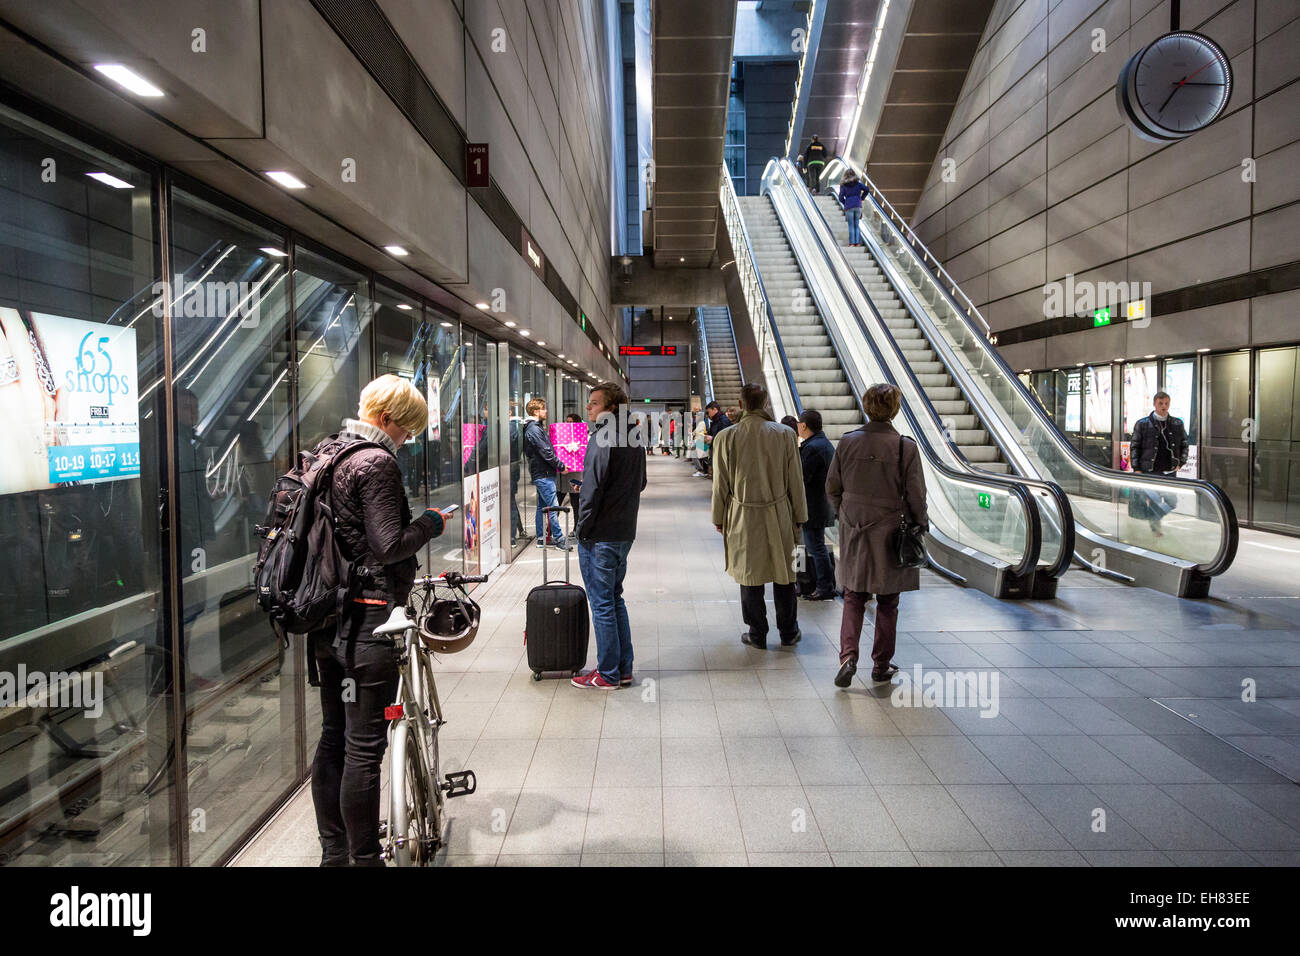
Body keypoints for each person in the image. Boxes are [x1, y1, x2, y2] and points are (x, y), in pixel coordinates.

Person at [310, 374, 452, 866]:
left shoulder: (326, 453)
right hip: (370, 622)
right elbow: (389, 545)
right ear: (387, 419)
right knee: (364, 749)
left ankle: (335, 855)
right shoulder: (375, 462)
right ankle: (366, 858)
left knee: (333, 737)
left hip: (326, 620)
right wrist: (431, 523)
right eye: (407, 430)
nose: (407, 440)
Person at [827, 384, 927, 688]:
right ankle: (880, 664)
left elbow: (833, 487)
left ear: (867, 406)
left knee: (853, 595)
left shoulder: (847, 442)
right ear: (894, 409)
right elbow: (916, 494)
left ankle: (848, 656)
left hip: (855, 527)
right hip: (891, 529)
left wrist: (845, 514)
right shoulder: (904, 447)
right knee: (888, 600)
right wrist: (920, 523)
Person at [712, 382, 808, 649]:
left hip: (742, 513)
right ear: (765, 403)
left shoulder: (726, 437)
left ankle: (757, 632)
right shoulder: (785, 434)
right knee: (786, 573)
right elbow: (795, 481)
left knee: (749, 574)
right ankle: (789, 631)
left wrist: (718, 517)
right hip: (780, 512)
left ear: (741, 405)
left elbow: (720, 483)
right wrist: (800, 515)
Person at [571, 381, 647, 689]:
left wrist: (583, 527)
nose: (588, 407)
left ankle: (607, 673)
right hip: (624, 530)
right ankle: (622, 667)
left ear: (611, 408)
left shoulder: (602, 436)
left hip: (600, 533)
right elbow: (639, 482)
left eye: (594, 403)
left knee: (601, 602)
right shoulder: (633, 435)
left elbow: (593, 488)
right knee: (615, 599)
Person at [1128, 390, 1188, 536]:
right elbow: (1135, 446)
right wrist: (1136, 468)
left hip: (1169, 470)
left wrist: (1181, 462)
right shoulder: (1142, 424)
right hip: (1150, 470)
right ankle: (1156, 529)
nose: (1164, 406)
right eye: (1160, 403)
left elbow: (1184, 444)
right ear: (1154, 404)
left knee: (1171, 502)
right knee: (1154, 501)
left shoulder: (1177, 423)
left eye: (1166, 403)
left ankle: (1152, 518)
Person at [797, 409, 837, 600]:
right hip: (820, 504)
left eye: (799, 423)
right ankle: (822, 585)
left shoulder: (813, 448)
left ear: (803, 425)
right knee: (815, 546)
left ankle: (824, 587)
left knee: (815, 548)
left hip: (813, 505)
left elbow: (802, 477)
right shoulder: (823, 444)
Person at [522, 397, 570, 550]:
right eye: (543, 408)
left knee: (542, 506)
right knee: (554, 506)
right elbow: (546, 452)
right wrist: (561, 466)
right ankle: (559, 538)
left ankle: (542, 538)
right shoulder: (534, 429)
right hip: (543, 473)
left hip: (542, 472)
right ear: (536, 411)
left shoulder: (534, 427)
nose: (546, 411)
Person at [702, 400, 732, 479]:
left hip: (720, 451)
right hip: (715, 449)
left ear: (715, 409)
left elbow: (725, 437)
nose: (708, 415)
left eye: (709, 412)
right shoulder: (716, 420)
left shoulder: (723, 420)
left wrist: (712, 438)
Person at [838, 169, 868, 246]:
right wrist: (862, 198)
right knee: (856, 224)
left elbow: (840, 197)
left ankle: (852, 243)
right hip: (858, 205)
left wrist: (845, 203)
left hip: (849, 206)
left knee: (851, 225)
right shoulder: (858, 183)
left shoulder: (843, 185)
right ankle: (857, 243)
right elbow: (866, 189)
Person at [689, 412, 710, 477]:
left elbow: (696, 432)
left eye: (697, 416)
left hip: (699, 441)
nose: (695, 417)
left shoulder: (701, 423)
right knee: (703, 456)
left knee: (698, 456)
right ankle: (703, 470)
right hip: (700, 440)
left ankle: (701, 470)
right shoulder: (700, 423)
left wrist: (693, 433)